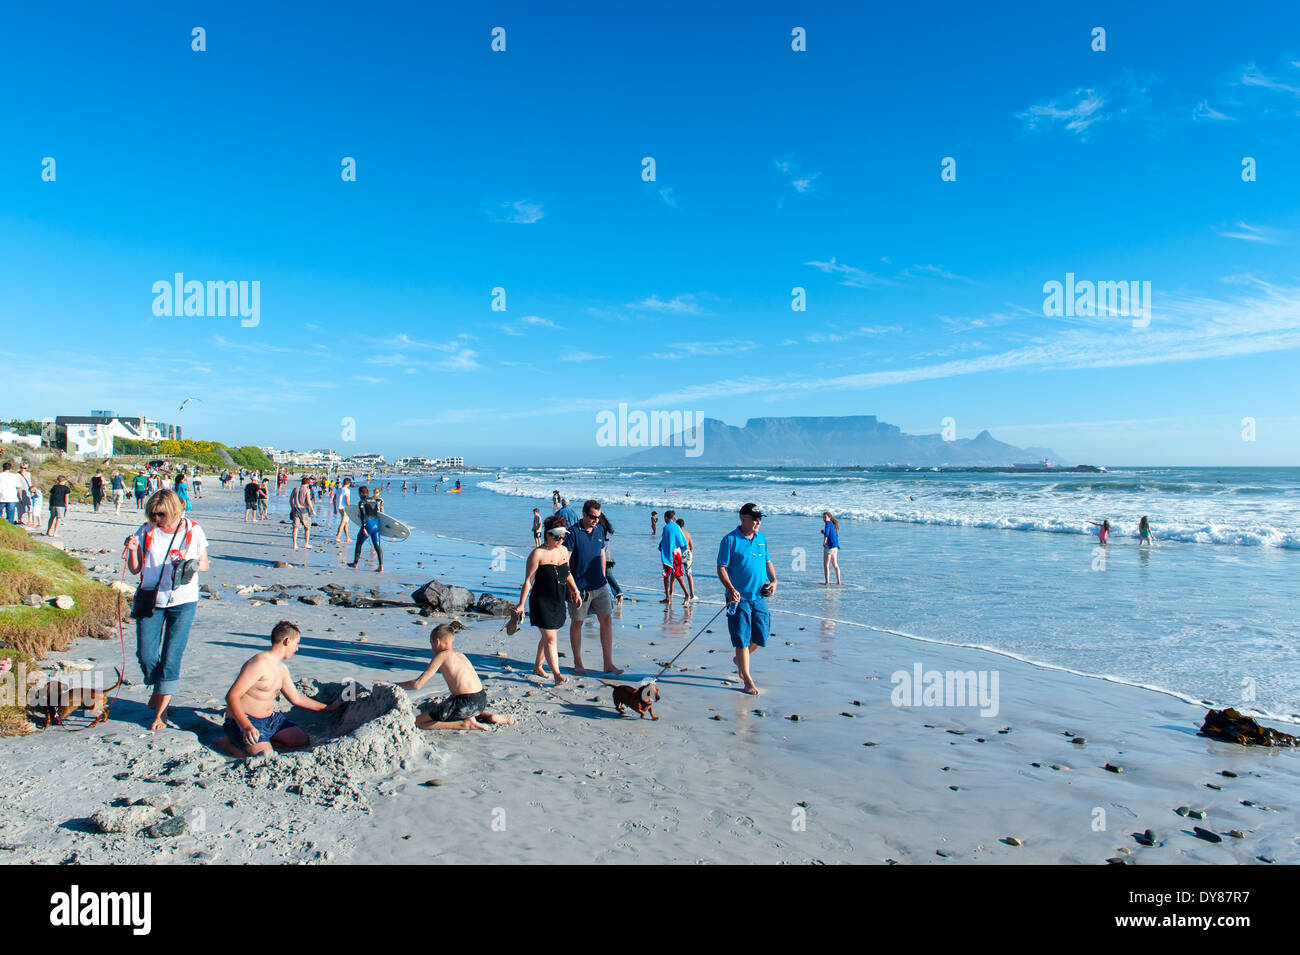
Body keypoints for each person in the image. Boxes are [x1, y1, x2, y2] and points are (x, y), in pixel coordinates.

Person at [124, 489, 210, 730]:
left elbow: (204, 565)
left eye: (160, 514)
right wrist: (132, 550)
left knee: (172, 657)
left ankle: (159, 714)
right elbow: (135, 569)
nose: (155, 518)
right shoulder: (146, 531)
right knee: (146, 655)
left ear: (172, 511)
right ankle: (159, 685)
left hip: (183, 601)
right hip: (151, 600)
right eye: (152, 514)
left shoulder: (194, 531)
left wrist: (187, 564)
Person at [223, 620, 338, 755]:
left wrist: (328, 708)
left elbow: (296, 698)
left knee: (302, 740)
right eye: (297, 643)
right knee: (265, 755)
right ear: (287, 641)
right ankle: (228, 745)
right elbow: (232, 696)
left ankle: (263, 741)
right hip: (245, 721)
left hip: (271, 720)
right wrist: (246, 726)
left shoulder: (282, 668)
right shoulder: (259, 663)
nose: (297, 648)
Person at [398, 624, 518, 730]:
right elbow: (463, 688)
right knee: (457, 707)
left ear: (436, 641)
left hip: (465, 703)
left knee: (419, 722)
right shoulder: (461, 655)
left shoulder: (442, 656)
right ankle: (488, 716)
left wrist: (392, 684)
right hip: (481, 700)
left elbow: (417, 684)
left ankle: (464, 724)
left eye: (431, 645)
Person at [717, 503, 777, 696]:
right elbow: (721, 568)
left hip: (759, 596)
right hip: (738, 599)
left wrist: (774, 580)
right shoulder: (730, 540)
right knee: (741, 639)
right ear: (743, 518)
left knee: (762, 635)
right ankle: (747, 678)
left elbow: (767, 562)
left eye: (760, 518)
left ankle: (740, 660)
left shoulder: (762, 538)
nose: (759, 522)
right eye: (755, 518)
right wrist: (730, 589)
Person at [516, 515, 581, 686]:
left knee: (549, 635)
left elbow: (567, 573)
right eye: (557, 536)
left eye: (563, 536)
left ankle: (538, 666)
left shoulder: (564, 551)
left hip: (558, 599)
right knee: (551, 638)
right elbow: (529, 581)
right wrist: (521, 604)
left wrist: (575, 590)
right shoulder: (537, 554)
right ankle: (557, 674)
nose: (560, 539)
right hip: (541, 601)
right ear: (548, 534)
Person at [567, 500, 621, 676]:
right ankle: (578, 662)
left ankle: (608, 663)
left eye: (598, 517)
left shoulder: (599, 529)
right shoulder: (573, 532)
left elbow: (602, 553)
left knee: (606, 620)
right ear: (583, 514)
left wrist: (604, 576)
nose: (595, 520)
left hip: (600, 586)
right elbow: (565, 561)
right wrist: (570, 587)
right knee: (578, 623)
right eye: (592, 517)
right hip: (579, 588)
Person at [347, 485, 384, 572]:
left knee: (359, 543)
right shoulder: (375, 500)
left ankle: (355, 563)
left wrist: (363, 527)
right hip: (376, 525)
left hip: (368, 525)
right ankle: (381, 566)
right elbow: (378, 513)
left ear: (361, 493)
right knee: (377, 545)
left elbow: (363, 515)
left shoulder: (362, 502)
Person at [658, 509, 689, 604]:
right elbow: (682, 540)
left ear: (666, 517)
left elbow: (665, 541)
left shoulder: (666, 527)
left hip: (670, 553)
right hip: (678, 553)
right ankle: (672, 596)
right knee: (677, 574)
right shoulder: (677, 527)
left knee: (667, 575)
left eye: (665, 518)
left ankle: (681, 595)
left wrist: (660, 547)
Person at [599, 512, 623, 605]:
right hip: (608, 554)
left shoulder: (599, 528)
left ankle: (618, 592)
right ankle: (617, 593)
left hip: (604, 554)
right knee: (608, 574)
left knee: (608, 574)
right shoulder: (604, 527)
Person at [289, 476, 315, 550]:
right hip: (304, 510)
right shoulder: (307, 490)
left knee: (295, 528)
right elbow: (308, 501)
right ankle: (306, 543)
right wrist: (312, 510)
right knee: (307, 527)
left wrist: (292, 507)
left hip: (295, 509)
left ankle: (294, 544)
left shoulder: (295, 489)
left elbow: (291, 500)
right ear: (307, 483)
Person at [676, 517, 696, 601]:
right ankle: (692, 594)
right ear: (683, 525)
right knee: (689, 574)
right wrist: (690, 553)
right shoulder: (687, 533)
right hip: (688, 555)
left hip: (679, 555)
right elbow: (691, 546)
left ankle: (670, 592)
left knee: (676, 574)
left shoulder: (677, 533)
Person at [822, 511, 842, 585]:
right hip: (835, 547)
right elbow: (831, 534)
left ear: (829, 517)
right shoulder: (833, 524)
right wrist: (823, 533)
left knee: (826, 564)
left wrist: (824, 541)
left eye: (825, 517)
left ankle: (827, 582)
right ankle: (839, 581)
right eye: (823, 517)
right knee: (835, 565)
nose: (824, 519)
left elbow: (827, 533)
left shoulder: (828, 523)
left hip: (829, 546)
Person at [334, 477, 352, 543]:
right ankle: (338, 537)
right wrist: (349, 508)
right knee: (343, 522)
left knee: (346, 523)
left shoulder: (338, 489)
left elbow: (334, 499)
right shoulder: (347, 490)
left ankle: (347, 537)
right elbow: (347, 501)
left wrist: (335, 508)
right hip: (345, 508)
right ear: (348, 484)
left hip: (339, 507)